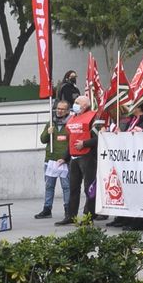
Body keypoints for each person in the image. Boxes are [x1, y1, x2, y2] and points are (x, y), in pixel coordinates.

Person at [110, 100, 143, 231]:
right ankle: (129, 218)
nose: (130, 108)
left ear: (139, 107)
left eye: (133, 105)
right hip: (131, 162)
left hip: (142, 163)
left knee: (139, 192)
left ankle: (139, 221)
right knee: (130, 192)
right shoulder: (133, 120)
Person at [59, 95, 99, 224]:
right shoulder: (72, 118)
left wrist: (84, 144)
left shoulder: (93, 117)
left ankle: (89, 216)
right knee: (73, 188)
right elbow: (71, 140)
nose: (74, 105)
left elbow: (100, 137)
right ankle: (71, 216)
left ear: (85, 105)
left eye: (77, 103)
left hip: (88, 157)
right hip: (74, 158)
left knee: (89, 189)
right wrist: (65, 158)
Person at [36, 99, 72, 219]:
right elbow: (43, 139)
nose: (59, 111)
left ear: (67, 111)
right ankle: (47, 209)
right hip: (50, 160)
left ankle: (68, 209)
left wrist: (66, 157)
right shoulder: (51, 123)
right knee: (49, 186)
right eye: (58, 108)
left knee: (66, 187)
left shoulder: (70, 123)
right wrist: (48, 132)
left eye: (62, 109)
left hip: (64, 161)